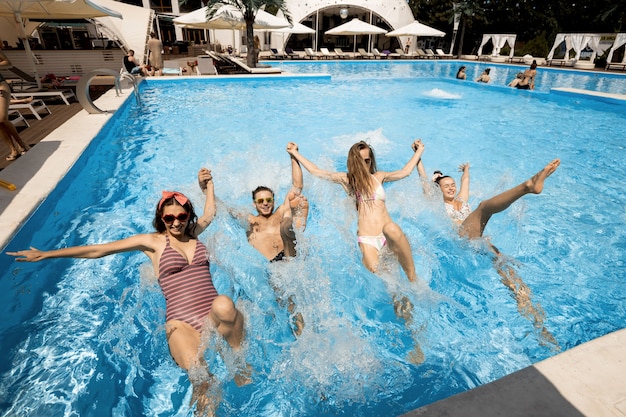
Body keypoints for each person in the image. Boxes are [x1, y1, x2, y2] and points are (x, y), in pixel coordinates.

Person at [7, 169, 246, 414]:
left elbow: (210, 213)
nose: (176, 222)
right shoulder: (152, 242)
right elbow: (99, 250)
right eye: (169, 218)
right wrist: (47, 254)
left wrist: (207, 186)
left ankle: (240, 364)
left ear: (188, 217)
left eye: (182, 216)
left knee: (225, 304)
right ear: (161, 219)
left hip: (212, 316)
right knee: (202, 377)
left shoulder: (194, 233)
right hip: (181, 325)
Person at [415, 149, 561, 348]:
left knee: (508, 271)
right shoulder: (437, 204)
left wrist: (465, 170)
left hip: (479, 241)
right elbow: (424, 180)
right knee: (484, 207)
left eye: (452, 185)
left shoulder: (461, 200)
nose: (451, 188)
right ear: (437, 189)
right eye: (446, 186)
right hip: (462, 240)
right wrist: (419, 155)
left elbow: (465, 181)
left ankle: (537, 322)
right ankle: (528, 186)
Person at [287, 140, 425, 282]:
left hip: (388, 236)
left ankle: (413, 280)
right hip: (367, 240)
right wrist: (294, 153)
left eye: (367, 161)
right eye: (360, 161)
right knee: (384, 278)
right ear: (354, 162)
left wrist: (419, 150)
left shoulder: (379, 177)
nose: (364, 165)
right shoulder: (347, 180)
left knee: (391, 228)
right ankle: (400, 300)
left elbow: (405, 172)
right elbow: (316, 171)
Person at [244, 142, 308, 334]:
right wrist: (206, 189)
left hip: (289, 254)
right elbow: (222, 210)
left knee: (287, 223)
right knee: (288, 305)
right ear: (254, 204)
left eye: (269, 200)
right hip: (272, 267)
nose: (265, 204)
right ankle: (300, 336)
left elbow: (297, 186)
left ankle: (295, 224)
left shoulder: (280, 212)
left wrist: (293, 156)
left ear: (273, 200)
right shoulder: (250, 222)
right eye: (260, 201)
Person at [0, 51, 30, 161]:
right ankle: (13, 149)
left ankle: (21, 143)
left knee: (2, 118)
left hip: (1, 87)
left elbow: (8, 63)